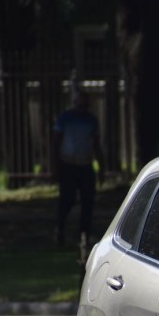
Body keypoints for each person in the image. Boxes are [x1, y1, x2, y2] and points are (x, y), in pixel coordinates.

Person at [52, 91, 103, 248]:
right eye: (80, 105)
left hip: (85, 165)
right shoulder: (64, 119)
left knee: (88, 201)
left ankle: (84, 234)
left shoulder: (91, 120)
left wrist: (101, 167)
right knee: (67, 199)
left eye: (85, 105)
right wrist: (55, 166)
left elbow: (96, 145)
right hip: (68, 164)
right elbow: (56, 143)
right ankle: (60, 229)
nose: (82, 108)